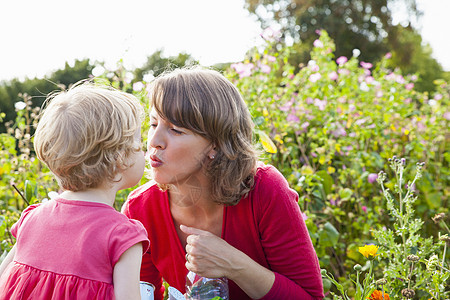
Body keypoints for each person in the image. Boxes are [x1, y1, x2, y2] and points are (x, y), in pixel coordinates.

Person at [122, 67, 324, 299]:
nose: (154, 142)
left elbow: (309, 296)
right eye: (154, 124)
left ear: (216, 145)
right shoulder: (140, 209)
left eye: (176, 130)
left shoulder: (264, 189)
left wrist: (235, 264)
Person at [0, 83, 150, 300]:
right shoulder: (122, 235)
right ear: (120, 158)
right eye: (138, 142)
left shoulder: (32, 218)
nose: (144, 149)